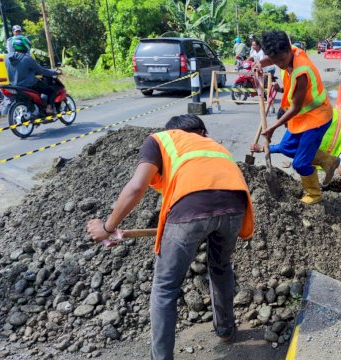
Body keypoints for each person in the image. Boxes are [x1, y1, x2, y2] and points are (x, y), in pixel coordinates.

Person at [86, 114, 255, 360]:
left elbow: (137, 187)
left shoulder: (159, 140)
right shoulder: (214, 146)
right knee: (221, 268)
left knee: (165, 288)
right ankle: (227, 331)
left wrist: (108, 226)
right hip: (235, 206)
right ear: (202, 132)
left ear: (172, 132)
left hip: (191, 209)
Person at [252, 30, 339, 205]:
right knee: (286, 146)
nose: (280, 65)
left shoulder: (301, 71)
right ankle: (327, 160)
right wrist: (259, 64)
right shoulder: (286, 50)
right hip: (303, 118)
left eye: (282, 60)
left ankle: (314, 194)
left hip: (317, 118)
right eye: (275, 61)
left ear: (288, 50)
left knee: (300, 163)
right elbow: (272, 59)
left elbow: (295, 107)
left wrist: (272, 128)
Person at [251, 108, 341, 204]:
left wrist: (269, 138)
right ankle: (328, 162)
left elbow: (286, 146)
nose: (286, 127)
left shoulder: (303, 122)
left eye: (286, 124)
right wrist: (264, 148)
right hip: (333, 124)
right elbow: (289, 146)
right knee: (301, 153)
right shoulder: (301, 116)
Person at [6, 35, 61, 114]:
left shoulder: (7, 58)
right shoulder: (27, 58)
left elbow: (18, 69)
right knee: (51, 90)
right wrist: (55, 72)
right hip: (29, 84)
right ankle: (49, 108)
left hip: (14, 85)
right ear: (24, 46)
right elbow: (42, 71)